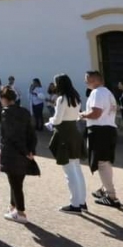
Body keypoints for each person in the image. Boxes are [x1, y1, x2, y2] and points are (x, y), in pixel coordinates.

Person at [47, 74, 87, 213]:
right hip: (74, 132)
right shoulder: (76, 97)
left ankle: (75, 204)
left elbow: (57, 120)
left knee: (69, 171)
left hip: (64, 134)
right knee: (76, 168)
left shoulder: (62, 99)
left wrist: (50, 121)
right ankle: (81, 201)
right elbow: (75, 116)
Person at [81, 71, 121, 208]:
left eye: (86, 80)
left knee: (102, 163)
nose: (85, 82)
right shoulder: (108, 93)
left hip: (99, 130)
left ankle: (111, 195)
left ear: (93, 80)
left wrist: (82, 115)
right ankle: (105, 190)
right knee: (105, 162)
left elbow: (96, 113)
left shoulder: (97, 93)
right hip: (108, 129)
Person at [0, 86, 37, 223]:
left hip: (12, 152)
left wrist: (25, 151)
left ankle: (20, 212)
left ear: (4, 99)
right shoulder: (25, 112)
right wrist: (31, 150)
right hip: (24, 152)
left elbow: (9, 135)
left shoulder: (5, 113)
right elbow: (31, 133)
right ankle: (13, 206)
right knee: (16, 181)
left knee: (15, 183)